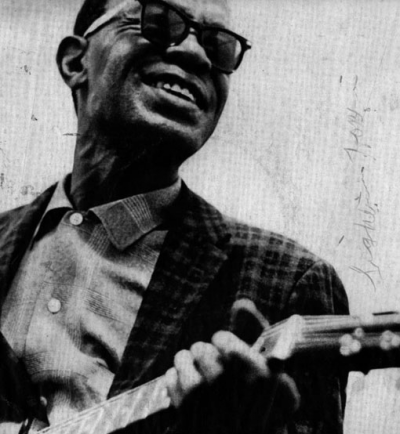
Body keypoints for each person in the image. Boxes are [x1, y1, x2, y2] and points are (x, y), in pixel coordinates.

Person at [0, 0, 349, 433]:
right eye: (159, 22)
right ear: (75, 62)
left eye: (218, 45)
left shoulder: (288, 283)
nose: (196, 54)